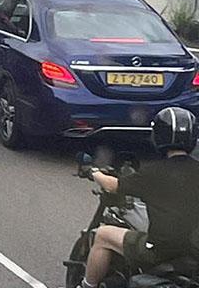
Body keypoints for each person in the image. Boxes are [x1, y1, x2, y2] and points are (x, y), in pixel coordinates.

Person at [74, 107, 199, 288]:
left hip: (160, 251)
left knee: (103, 235)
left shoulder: (153, 173)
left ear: (158, 136)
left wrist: (92, 172)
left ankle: (87, 285)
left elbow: (112, 185)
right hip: (194, 252)